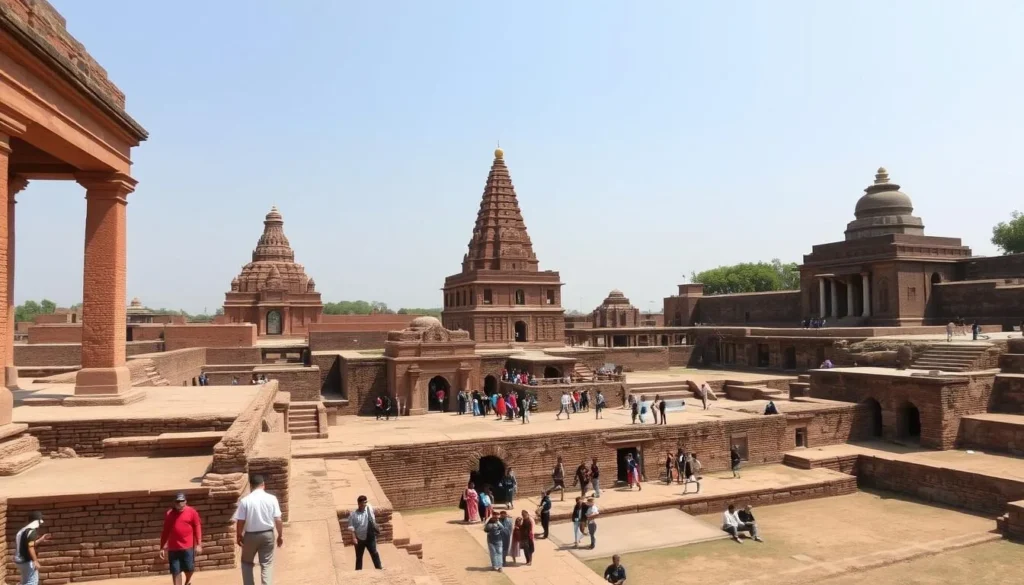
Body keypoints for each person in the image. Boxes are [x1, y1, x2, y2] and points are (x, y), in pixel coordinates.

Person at [233, 474, 284, 585]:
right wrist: (280, 535)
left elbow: (240, 521)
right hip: (267, 535)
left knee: (246, 562)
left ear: (251, 486)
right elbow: (278, 519)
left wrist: (239, 535)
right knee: (266, 564)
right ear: (263, 485)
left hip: (250, 536)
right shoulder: (272, 499)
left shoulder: (245, 501)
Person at [160, 492, 203, 585]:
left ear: (185, 501)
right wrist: (162, 547)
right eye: (178, 501)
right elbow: (165, 531)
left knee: (189, 569)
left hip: (187, 547)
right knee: (176, 571)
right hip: (173, 548)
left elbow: (197, 527)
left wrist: (199, 544)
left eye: (182, 501)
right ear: (174, 502)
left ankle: (187, 581)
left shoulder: (192, 512)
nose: (180, 503)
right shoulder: (169, 514)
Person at [347, 495, 383, 570]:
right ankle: (358, 572)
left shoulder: (368, 508)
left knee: (374, 553)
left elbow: (374, 513)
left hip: (370, 536)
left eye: (366, 502)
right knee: (359, 557)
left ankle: (379, 568)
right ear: (359, 504)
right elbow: (351, 527)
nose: (365, 504)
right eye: (363, 503)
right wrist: (354, 538)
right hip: (360, 539)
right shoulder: (353, 515)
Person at [14, 511, 50, 585]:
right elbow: (30, 548)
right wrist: (35, 561)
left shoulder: (23, 530)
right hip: (26, 561)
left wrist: (40, 540)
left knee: (25, 581)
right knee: (32, 582)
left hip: (19, 560)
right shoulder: (32, 531)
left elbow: (27, 545)